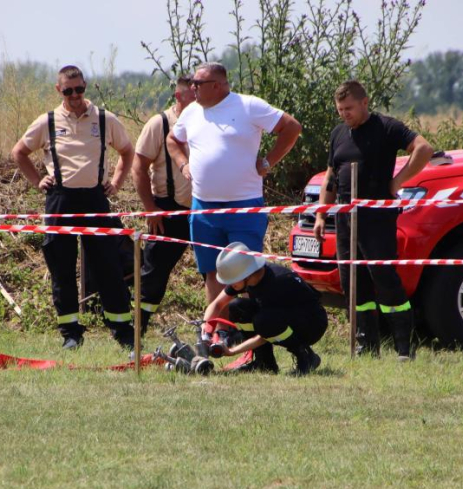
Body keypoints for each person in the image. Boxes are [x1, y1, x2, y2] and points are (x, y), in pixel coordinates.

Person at [11, 65, 135, 351]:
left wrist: (115, 182)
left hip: (95, 200)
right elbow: (19, 152)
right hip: (60, 201)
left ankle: (121, 330)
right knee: (61, 269)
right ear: (59, 90)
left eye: (79, 89)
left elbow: (127, 151)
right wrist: (37, 180)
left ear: (85, 86)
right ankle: (70, 333)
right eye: (68, 91)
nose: (75, 95)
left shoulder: (105, 119)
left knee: (108, 267)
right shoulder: (48, 121)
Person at [313, 80, 433, 361]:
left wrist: (397, 183)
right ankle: (367, 345)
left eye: (349, 108)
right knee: (352, 282)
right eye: (340, 109)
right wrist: (321, 214)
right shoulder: (338, 134)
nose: (345, 114)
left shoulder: (387, 127)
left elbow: (424, 149)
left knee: (385, 278)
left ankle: (404, 346)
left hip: (376, 217)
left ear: (365, 103)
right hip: (345, 220)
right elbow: (330, 176)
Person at [166, 62, 302, 303]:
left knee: (247, 273)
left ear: (217, 85)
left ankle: (247, 330)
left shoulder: (249, 105)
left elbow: (291, 127)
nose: (192, 88)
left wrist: (268, 162)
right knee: (212, 272)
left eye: (197, 84)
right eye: (192, 83)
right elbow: (173, 140)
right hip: (203, 208)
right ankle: (218, 330)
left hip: (244, 207)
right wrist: (183, 165)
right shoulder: (191, 111)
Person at [204, 242, 326, 376]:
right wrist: (206, 333)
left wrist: (232, 351)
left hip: (312, 323)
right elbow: (217, 305)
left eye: (233, 279)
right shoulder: (248, 278)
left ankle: (305, 356)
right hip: (283, 316)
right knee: (237, 307)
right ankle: (264, 363)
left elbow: (264, 336)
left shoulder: (277, 283)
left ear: (246, 274)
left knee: (263, 321)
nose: (230, 284)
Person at [132, 75, 195, 332]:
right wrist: (151, 208)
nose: (200, 101)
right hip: (168, 209)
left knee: (215, 270)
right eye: (193, 97)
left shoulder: (207, 120)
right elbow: (138, 168)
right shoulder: (159, 124)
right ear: (179, 97)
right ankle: (138, 328)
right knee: (154, 273)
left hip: (205, 208)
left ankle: (223, 329)